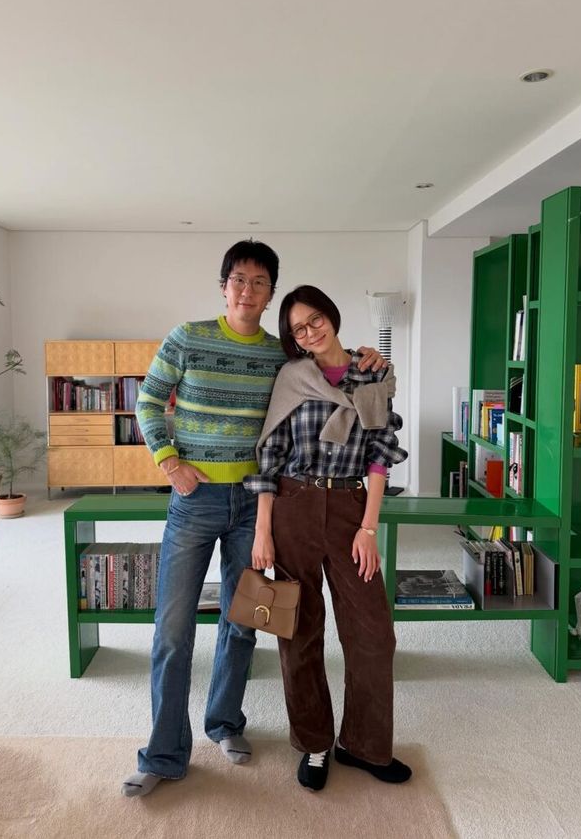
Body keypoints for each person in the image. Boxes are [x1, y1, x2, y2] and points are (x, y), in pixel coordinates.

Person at [121, 242, 385, 797]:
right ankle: (164, 753)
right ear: (224, 287)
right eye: (239, 280)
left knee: (244, 620)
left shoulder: (280, 358)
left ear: (270, 295)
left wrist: (372, 358)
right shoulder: (188, 337)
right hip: (195, 501)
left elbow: (332, 376)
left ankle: (224, 723)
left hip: (256, 503)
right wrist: (169, 462)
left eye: (260, 283)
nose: (248, 290)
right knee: (173, 630)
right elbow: (148, 401)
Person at [245, 284, 412, 792]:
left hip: (349, 508)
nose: (310, 331)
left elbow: (381, 452)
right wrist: (263, 531)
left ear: (331, 316)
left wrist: (368, 527)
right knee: (298, 630)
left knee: (373, 633)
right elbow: (271, 456)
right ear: (293, 339)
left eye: (315, 319)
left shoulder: (373, 373)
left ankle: (362, 745)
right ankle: (314, 743)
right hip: (293, 506)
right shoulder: (292, 378)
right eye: (299, 329)